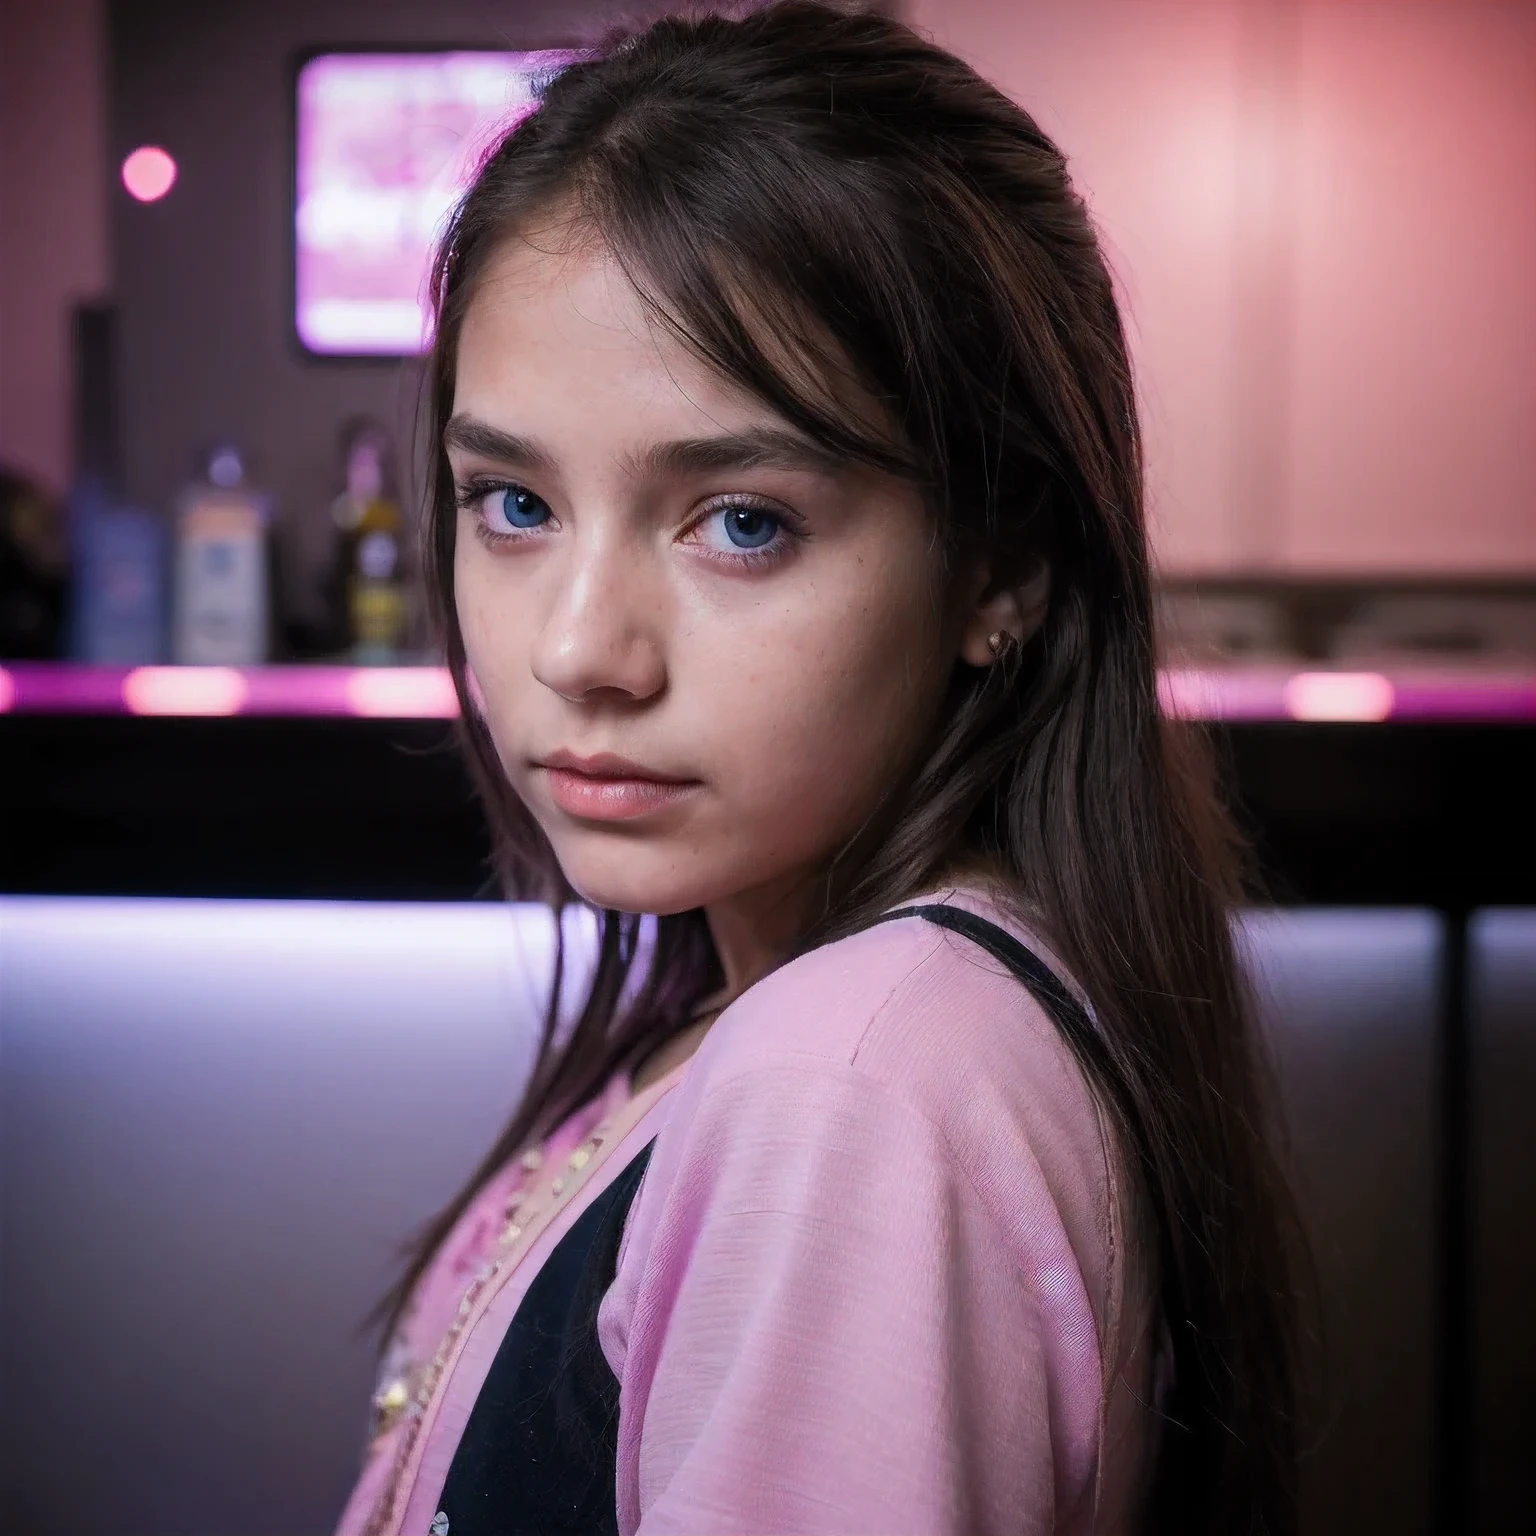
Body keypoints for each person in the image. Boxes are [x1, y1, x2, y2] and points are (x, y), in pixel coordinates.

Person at [336, 5, 1302, 1533]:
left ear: (1003, 565)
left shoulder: (852, 1084)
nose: (582, 649)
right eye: (512, 503)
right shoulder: (806, 1011)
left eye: (742, 522)